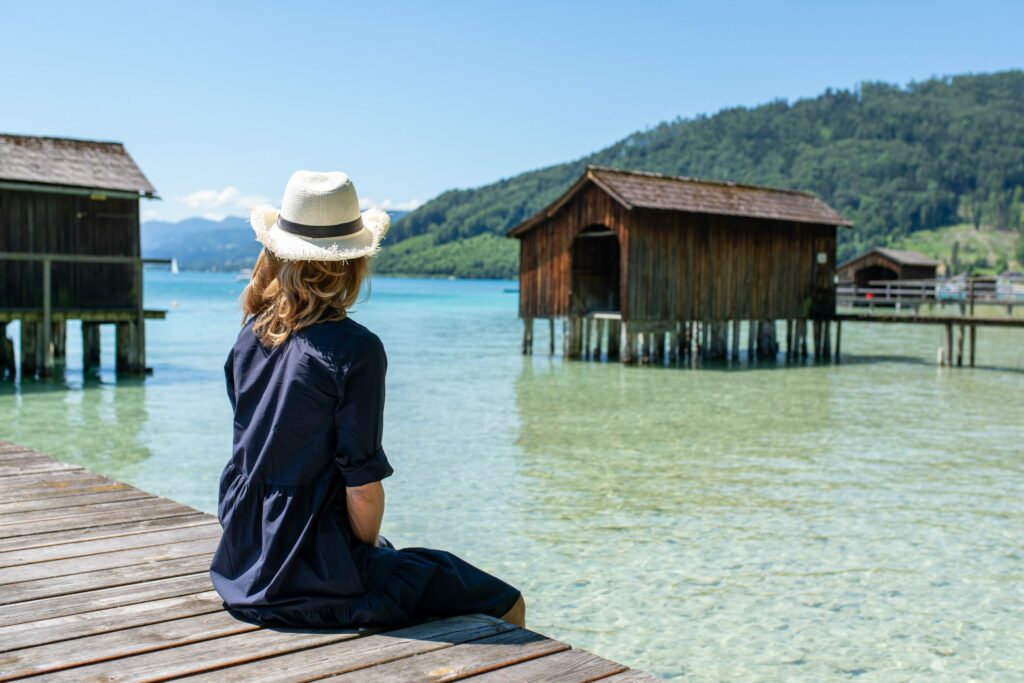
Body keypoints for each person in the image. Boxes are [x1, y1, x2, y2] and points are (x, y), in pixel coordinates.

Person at [210, 170, 525, 629]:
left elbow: (251, 458)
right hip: (311, 578)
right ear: (353, 263)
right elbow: (362, 490)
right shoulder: (354, 351)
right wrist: (367, 548)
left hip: (242, 563)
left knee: (397, 560)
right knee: (505, 601)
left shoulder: (249, 337)